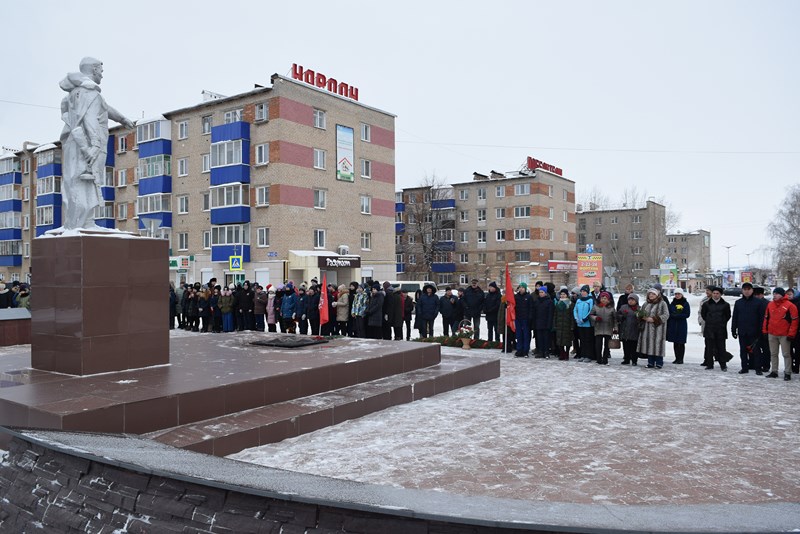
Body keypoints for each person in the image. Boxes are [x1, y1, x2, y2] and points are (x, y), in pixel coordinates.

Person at [59, 57, 136, 230]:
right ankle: (83, 223)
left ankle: (79, 222)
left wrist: (122, 118)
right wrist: (94, 146)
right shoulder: (90, 93)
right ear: (94, 69)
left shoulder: (75, 93)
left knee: (76, 181)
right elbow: (90, 119)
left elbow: (104, 107)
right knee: (86, 181)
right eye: (101, 70)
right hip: (87, 144)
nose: (102, 74)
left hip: (74, 143)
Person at [762, 287, 799, 380]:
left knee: (786, 354)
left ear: (782, 295)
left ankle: (787, 372)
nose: (774, 295)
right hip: (772, 333)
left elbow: (795, 321)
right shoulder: (770, 304)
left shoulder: (790, 306)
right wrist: (765, 331)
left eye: (777, 294)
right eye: (774, 293)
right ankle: (774, 371)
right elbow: (766, 318)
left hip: (784, 334)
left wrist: (791, 334)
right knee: (773, 353)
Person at [731, 283, 764, 374]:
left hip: (755, 331)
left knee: (756, 351)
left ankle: (758, 368)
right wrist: (733, 329)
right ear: (742, 291)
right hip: (742, 331)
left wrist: (761, 330)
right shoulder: (738, 303)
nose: (746, 291)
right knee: (743, 351)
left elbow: (761, 318)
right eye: (745, 289)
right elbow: (735, 317)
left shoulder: (758, 302)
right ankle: (744, 368)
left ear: (752, 290)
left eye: (748, 289)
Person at [700, 286, 732, 371]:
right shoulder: (706, 304)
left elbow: (728, 316)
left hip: (721, 329)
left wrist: (722, 322)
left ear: (720, 294)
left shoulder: (725, 305)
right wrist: (709, 320)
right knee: (709, 348)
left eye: (717, 293)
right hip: (709, 328)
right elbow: (703, 315)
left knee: (721, 348)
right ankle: (710, 364)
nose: (715, 295)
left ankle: (723, 365)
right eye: (714, 293)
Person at [638, 287, 670, 369]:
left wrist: (654, 319)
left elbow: (666, 315)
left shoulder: (662, 303)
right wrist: (642, 316)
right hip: (647, 329)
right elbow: (641, 313)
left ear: (657, 295)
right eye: (650, 294)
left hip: (658, 328)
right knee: (649, 345)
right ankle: (650, 362)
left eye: (653, 294)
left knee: (658, 345)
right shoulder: (646, 304)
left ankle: (659, 363)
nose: (651, 295)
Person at [590, 291, 617, 365]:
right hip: (598, 328)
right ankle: (599, 359)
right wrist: (596, 318)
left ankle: (605, 359)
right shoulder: (596, 306)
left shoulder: (611, 308)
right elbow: (591, 315)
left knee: (607, 345)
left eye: (605, 298)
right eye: (602, 298)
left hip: (608, 328)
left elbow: (615, 319)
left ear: (608, 300)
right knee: (598, 345)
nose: (603, 300)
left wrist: (615, 328)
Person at [666, 287, 691, 364]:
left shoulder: (685, 303)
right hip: (673, 324)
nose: (677, 295)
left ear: (682, 295)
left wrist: (678, 315)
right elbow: (669, 312)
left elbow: (687, 314)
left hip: (681, 324)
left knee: (681, 342)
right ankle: (676, 358)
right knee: (675, 342)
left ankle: (681, 358)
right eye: (676, 294)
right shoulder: (672, 303)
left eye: (679, 294)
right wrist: (673, 315)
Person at [617, 293, 641, 365]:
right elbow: (617, 315)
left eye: (632, 300)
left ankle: (634, 360)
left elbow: (642, 318)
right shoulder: (623, 307)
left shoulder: (639, 308)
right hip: (625, 329)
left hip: (635, 330)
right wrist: (622, 317)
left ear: (636, 301)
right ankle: (626, 359)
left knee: (634, 346)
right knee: (626, 346)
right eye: (629, 299)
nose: (630, 301)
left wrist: (639, 318)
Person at [752, 286, 771, 373]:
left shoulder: (767, 304)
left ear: (762, 294)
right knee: (755, 348)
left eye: (758, 295)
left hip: (765, 330)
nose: (756, 296)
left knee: (766, 349)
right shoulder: (752, 303)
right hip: (754, 329)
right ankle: (756, 364)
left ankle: (766, 365)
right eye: (755, 295)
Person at [573, 285, 595, 362]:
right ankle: (582, 354)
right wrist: (576, 318)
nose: (582, 293)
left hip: (587, 324)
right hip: (579, 323)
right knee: (582, 340)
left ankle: (588, 355)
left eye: (584, 291)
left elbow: (591, 311)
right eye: (581, 291)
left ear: (587, 292)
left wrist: (585, 319)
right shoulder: (579, 300)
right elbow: (575, 310)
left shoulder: (590, 300)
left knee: (588, 340)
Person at [513, 283, 534, 357]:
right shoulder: (516, 297)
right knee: (519, 335)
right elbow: (513, 306)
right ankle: (519, 350)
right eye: (520, 287)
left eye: (522, 287)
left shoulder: (529, 297)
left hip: (526, 319)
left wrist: (530, 317)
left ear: (525, 289)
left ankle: (525, 351)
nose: (521, 289)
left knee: (526, 335)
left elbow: (531, 308)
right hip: (518, 318)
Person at [552, 288, 574, 360]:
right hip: (559, 324)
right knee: (559, 340)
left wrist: (572, 325)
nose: (562, 295)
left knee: (567, 341)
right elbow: (555, 314)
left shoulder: (570, 304)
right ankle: (562, 353)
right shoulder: (558, 303)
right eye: (561, 294)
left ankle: (567, 354)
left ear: (567, 295)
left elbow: (572, 315)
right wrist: (554, 324)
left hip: (567, 325)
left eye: (564, 294)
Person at [533, 286, 554, 358]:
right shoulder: (537, 301)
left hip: (546, 323)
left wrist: (549, 324)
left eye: (542, 292)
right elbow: (535, 312)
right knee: (539, 338)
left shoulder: (549, 302)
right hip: (538, 322)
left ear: (545, 293)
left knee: (546, 338)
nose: (541, 294)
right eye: (540, 292)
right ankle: (541, 352)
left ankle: (546, 352)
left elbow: (550, 314)